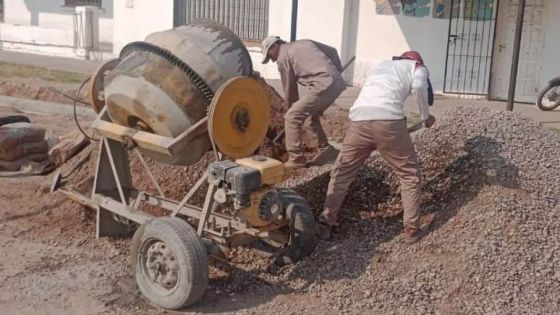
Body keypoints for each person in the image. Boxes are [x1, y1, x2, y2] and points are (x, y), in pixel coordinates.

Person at [318, 51, 436, 243]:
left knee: (342, 173)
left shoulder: (382, 65)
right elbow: (420, 86)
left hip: (358, 120)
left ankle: (325, 224)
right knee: (408, 174)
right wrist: (425, 117)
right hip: (388, 123)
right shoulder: (418, 68)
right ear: (416, 61)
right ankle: (412, 230)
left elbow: (376, 92)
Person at [261, 36, 346, 169]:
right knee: (311, 117)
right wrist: (335, 73)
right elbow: (333, 51)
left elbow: (290, 88)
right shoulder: (305, 42)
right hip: (337, 83)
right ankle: (327, 152)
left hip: (323, 85)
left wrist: (291, 111)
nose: (272, 60)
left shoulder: (283, 57)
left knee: (291, 117)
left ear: (274, 46)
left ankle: (296, 158)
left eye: (269, 56)